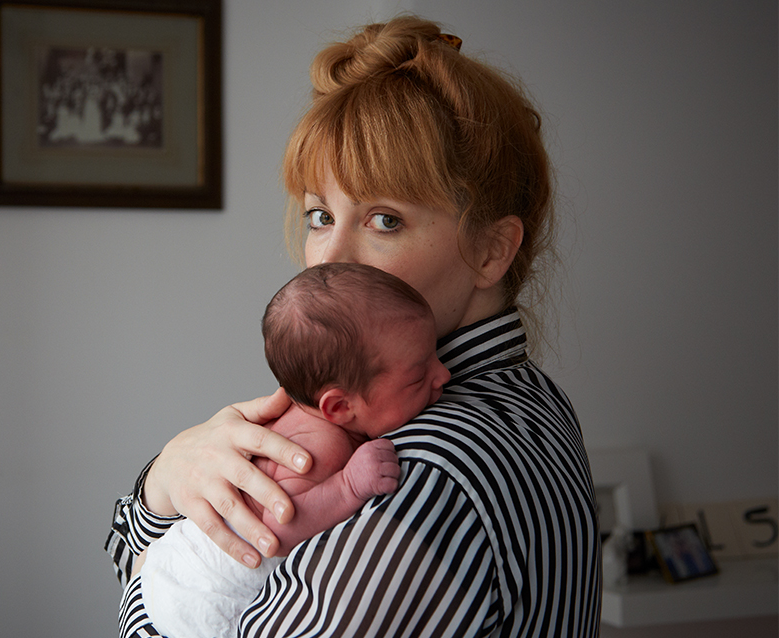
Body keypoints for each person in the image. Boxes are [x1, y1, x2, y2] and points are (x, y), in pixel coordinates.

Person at [108, 15, 601, 638]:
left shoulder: (414, 470)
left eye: (384, 219)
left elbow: (167, 585)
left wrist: (143, 580)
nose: (331, 258)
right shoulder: (527, 404)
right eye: (320, 214)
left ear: (491, 250)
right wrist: (168, 479)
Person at [130, 262, 450, 638]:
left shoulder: (299, 411)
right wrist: (348, 486)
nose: (443, 374)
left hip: (163, 564)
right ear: (339, 407)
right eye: (418, 375)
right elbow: (278, 529)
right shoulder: (320, 446)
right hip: (201, 596)